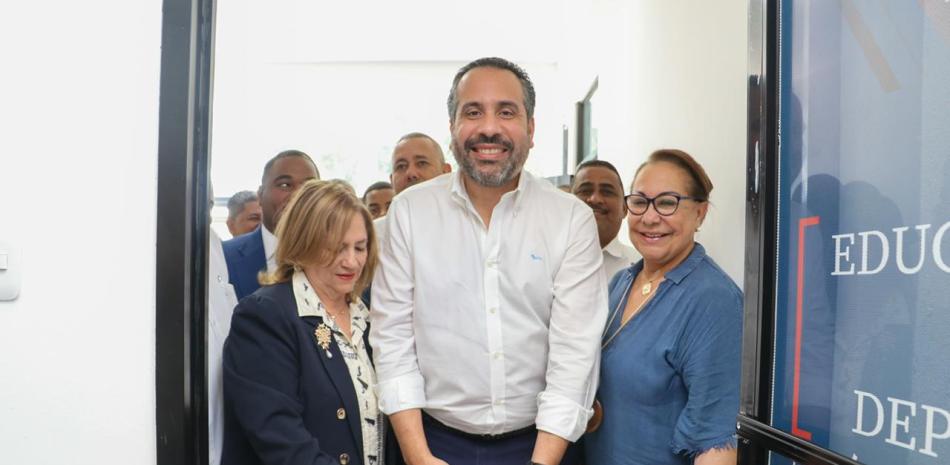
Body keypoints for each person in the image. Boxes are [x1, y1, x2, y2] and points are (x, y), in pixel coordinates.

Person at [370, 57, 607, 465]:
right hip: (430, 440)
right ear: (452, 128)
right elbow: (392, 340)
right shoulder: (409, 213)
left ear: (531, 129)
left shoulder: (570, 219)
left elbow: (575, 354)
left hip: (544, 444)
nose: (489, 128)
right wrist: (417, 455)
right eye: (473, 112)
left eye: (507, 112)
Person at [585, 149, 742, 465]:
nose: (650, 217)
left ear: (700, 213)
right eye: (640, 201)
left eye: (668, 202)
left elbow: (716, 444)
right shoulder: (622, 282)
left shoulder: (712, 300)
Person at [223, 180, 384, 465]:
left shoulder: (368, 315)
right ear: (303, 243)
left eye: (359, 248)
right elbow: (282, 442)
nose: (351, 262)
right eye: (336, 248)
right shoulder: (264, 316)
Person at [223, 150, 320, 299]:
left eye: (309, 186)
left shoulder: (344, 260)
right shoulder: (224, 256)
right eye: (285, 185)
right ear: (260, 195)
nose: (298, 195)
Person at [571, 160, 640, 280]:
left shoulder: (642, 266)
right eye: (585, 191)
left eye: (607, 192)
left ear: (624, 208)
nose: (595, 199)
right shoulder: (547, 261)